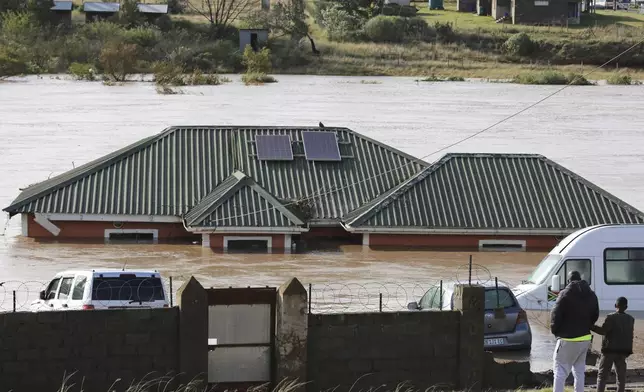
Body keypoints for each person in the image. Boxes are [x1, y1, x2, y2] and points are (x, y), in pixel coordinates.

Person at [550, 270, 600, 392]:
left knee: (560, 371)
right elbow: (595, 315)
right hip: (585, 339)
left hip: (567, 338)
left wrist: (555, 331)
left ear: (568, 281)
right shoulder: (591, 294)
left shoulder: (564, 294)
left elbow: (555, 315)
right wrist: (587, 325)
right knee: (579, 371)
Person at [592, 296, 635, 392]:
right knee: (621, 378)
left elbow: (603, 331)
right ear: (626, 307)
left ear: (615, 305)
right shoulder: (631, 319)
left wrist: (591, 326)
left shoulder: (611, 317)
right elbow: (630, 336)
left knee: (602, 376)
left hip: (609, 351)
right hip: (623, 352)